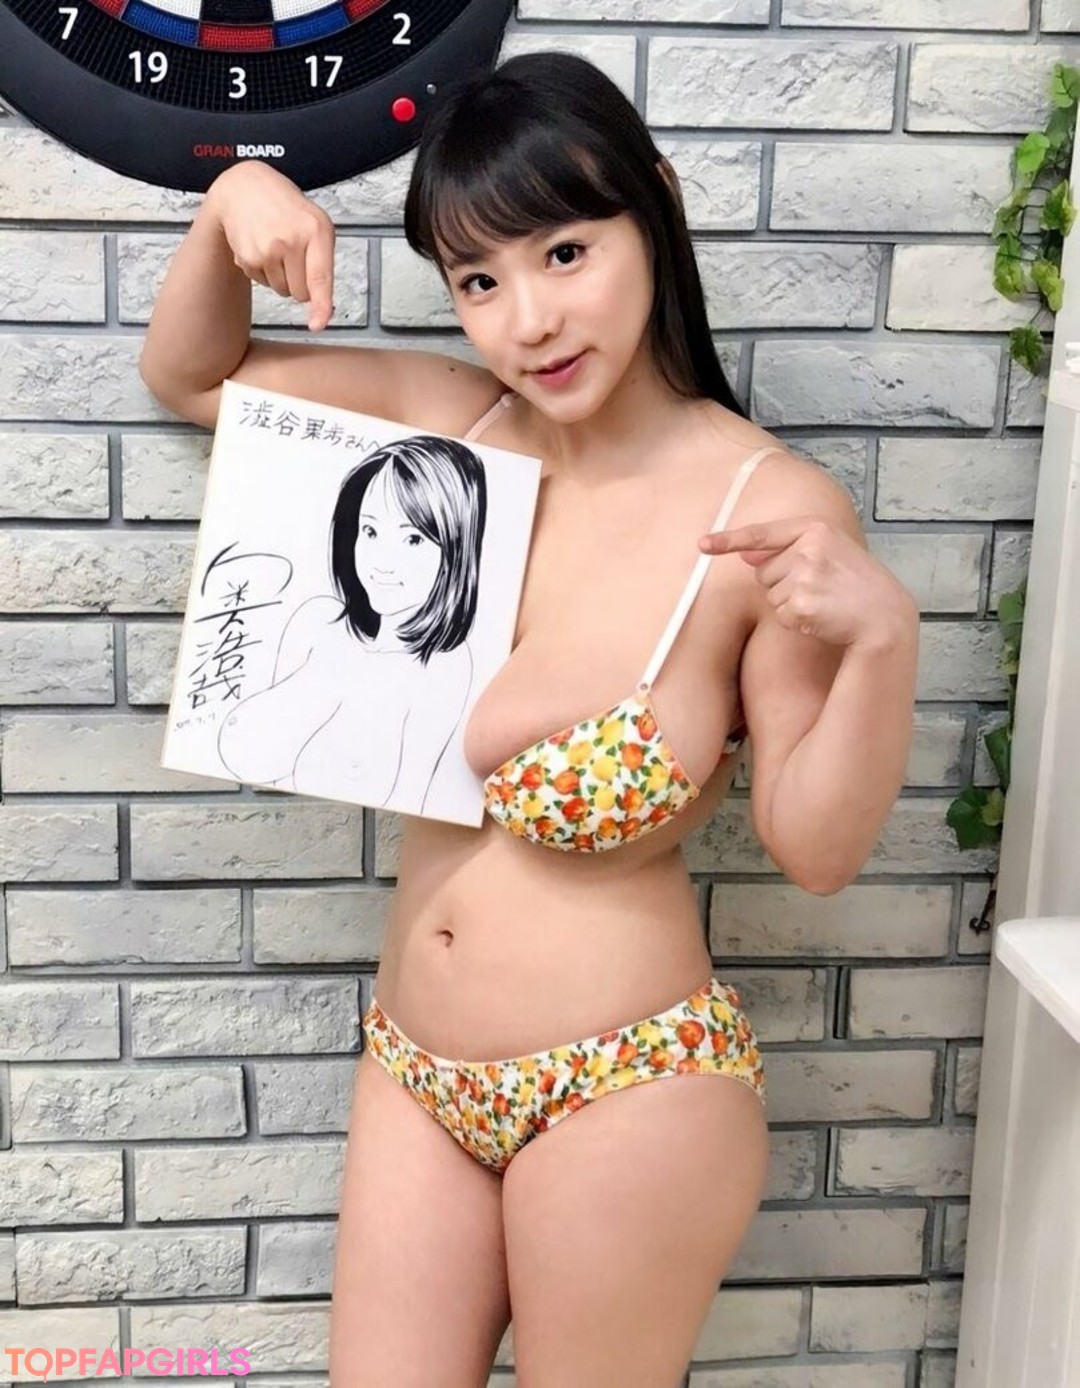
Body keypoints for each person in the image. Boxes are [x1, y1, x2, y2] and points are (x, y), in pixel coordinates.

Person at [139, 51, 919, 1388]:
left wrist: (885, 641)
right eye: (480, 281)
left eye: (565, 253)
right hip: (414, 1071)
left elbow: (817, 847)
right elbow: (195, 376)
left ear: (654, 211)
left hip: (630, 1085)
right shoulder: (458, 438)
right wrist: (229, 206)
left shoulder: (763, 511)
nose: (530, 320)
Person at [214, 434, 486, 814]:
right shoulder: (316, 620)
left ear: (455, 551)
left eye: (413, 539)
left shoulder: (444, 665)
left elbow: (417, 795)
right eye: (370, 531)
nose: (382, 561)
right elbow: (271, 758)